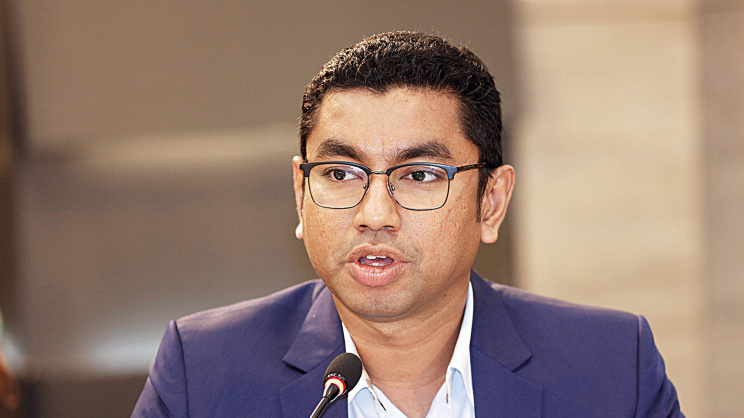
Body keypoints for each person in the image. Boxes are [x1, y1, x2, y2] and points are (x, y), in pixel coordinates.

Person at [133, 32, 682, 417]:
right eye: (341, 173)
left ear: (491, 201)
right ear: (301, 194)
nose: (374, 215)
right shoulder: (203, 372)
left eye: (419, 175)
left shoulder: (612, 366)